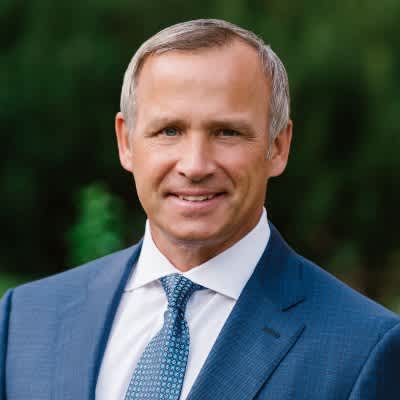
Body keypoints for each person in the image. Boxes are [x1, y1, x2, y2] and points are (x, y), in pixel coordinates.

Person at [0, 19, 399, 400]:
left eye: (227, 132)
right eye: (169, 130)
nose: (195, 165)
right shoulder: (25, 321)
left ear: (277, 146)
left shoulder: (364, 349)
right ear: (126, 142)